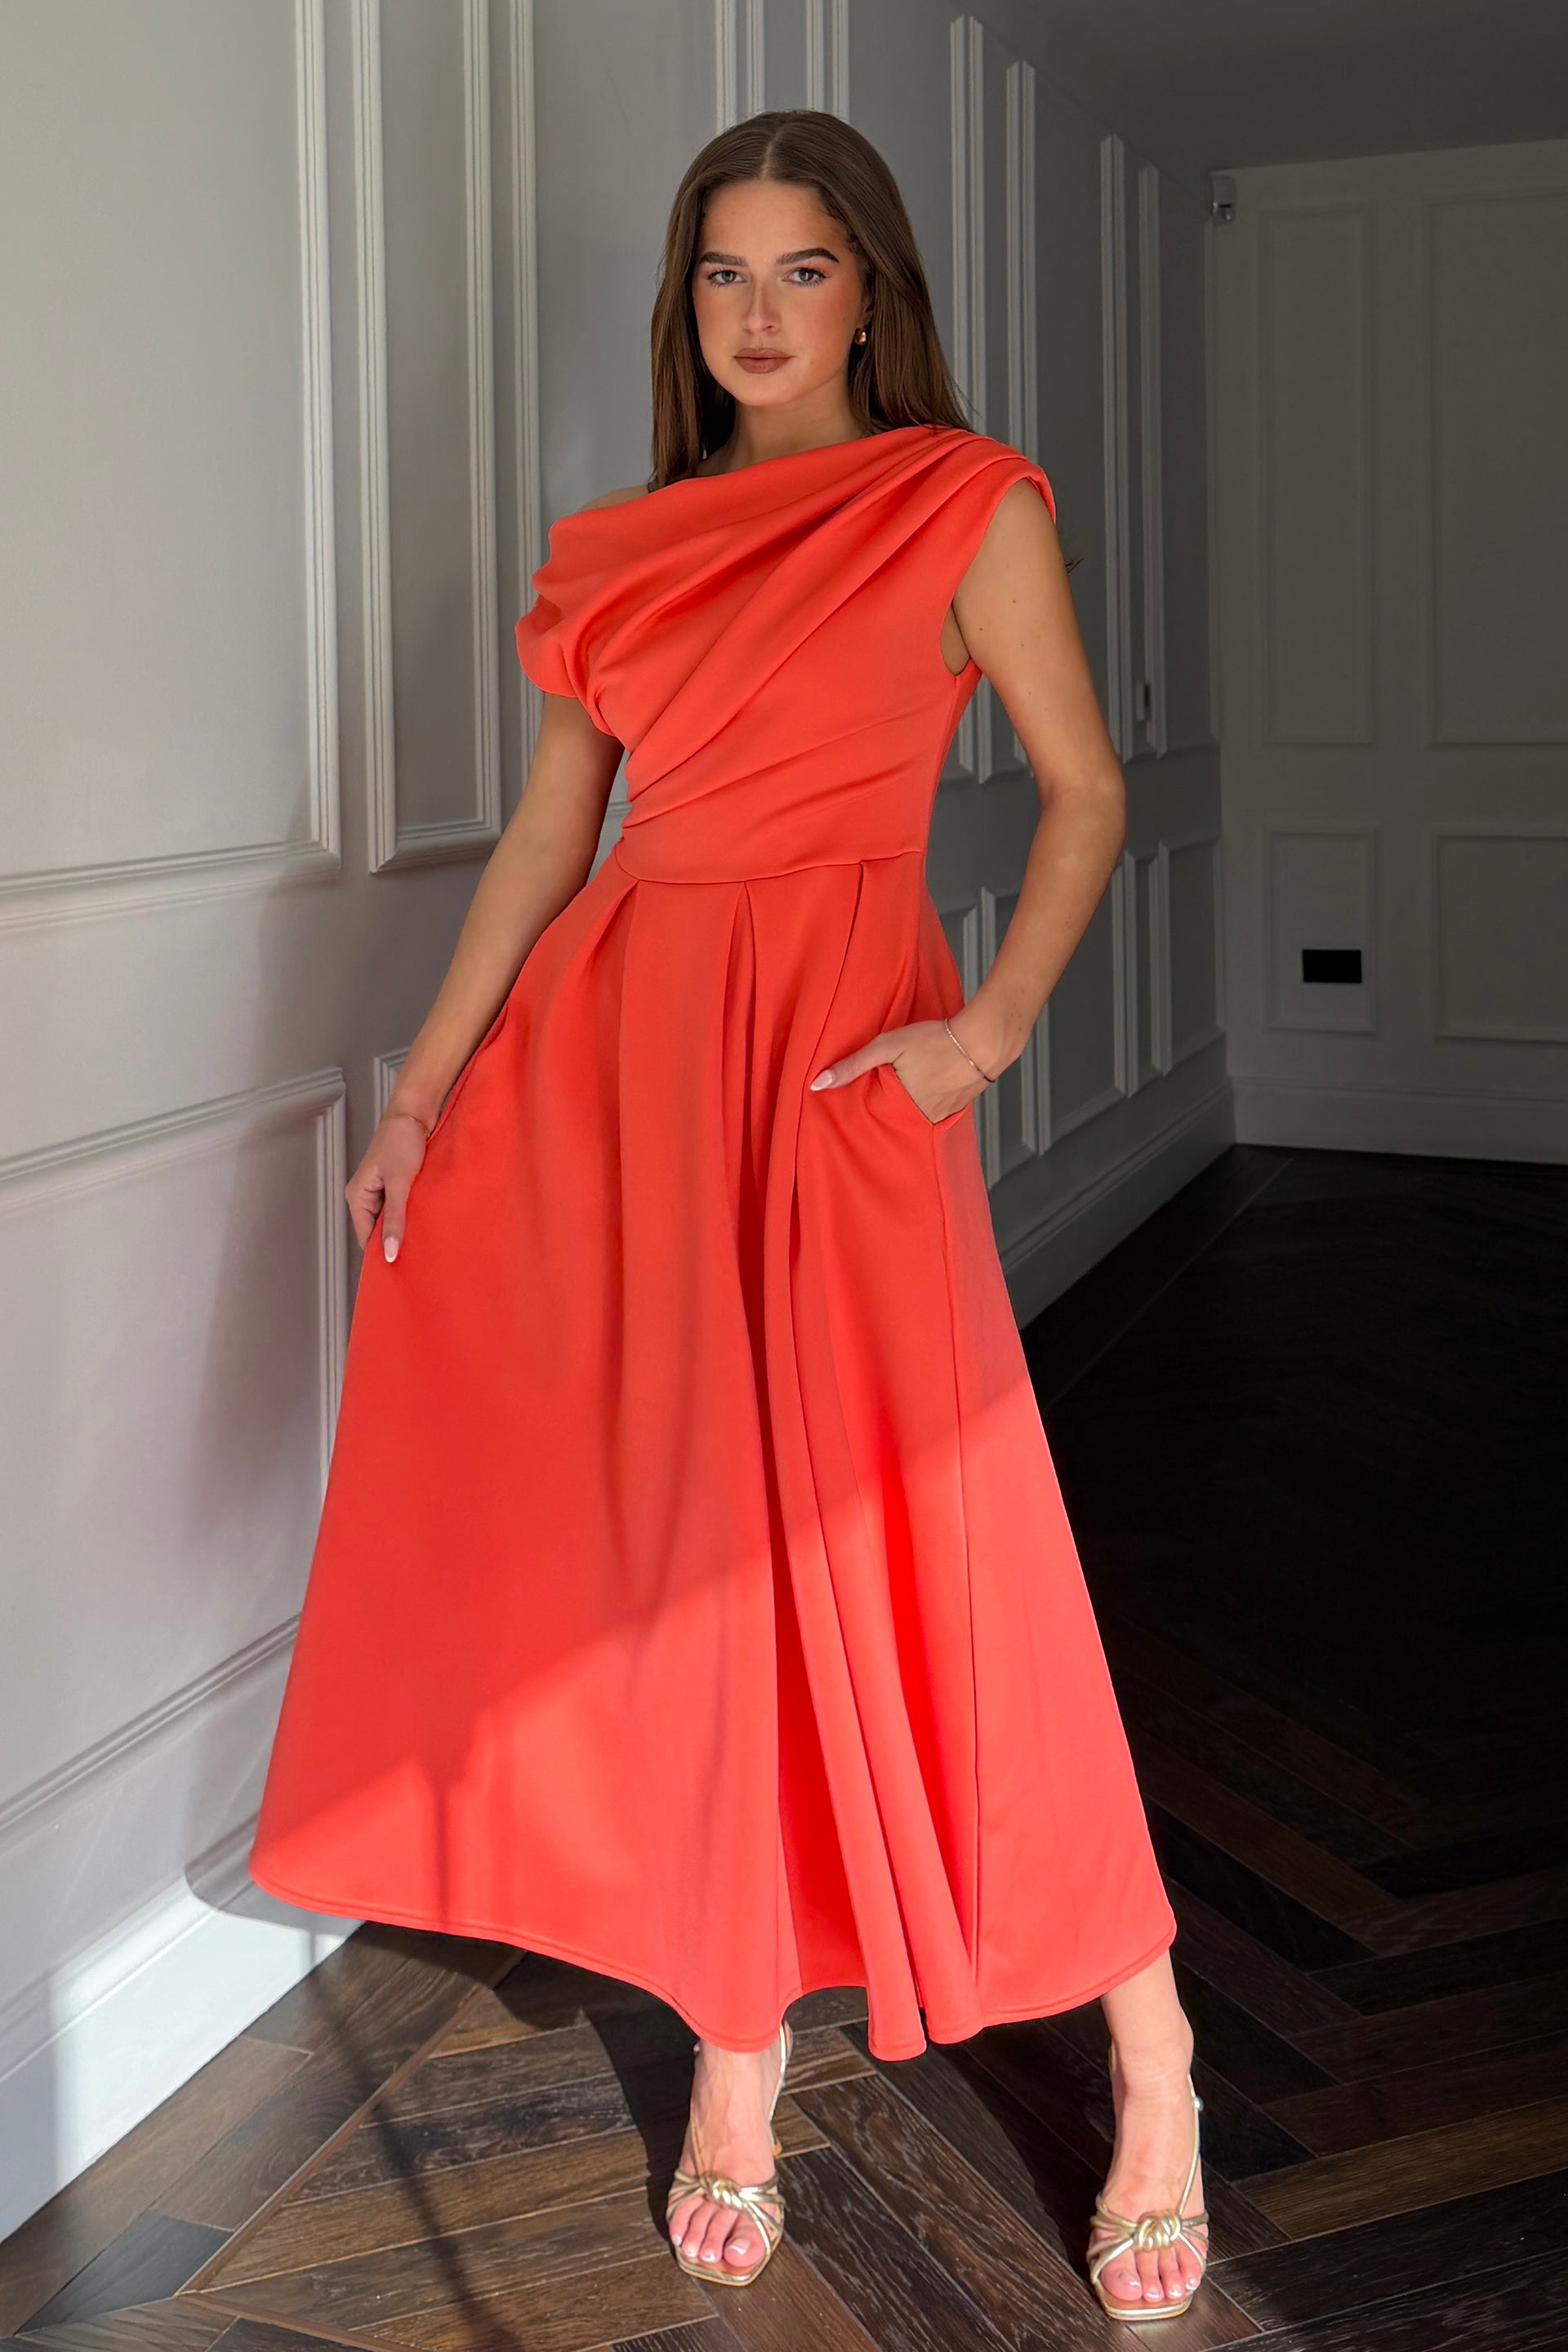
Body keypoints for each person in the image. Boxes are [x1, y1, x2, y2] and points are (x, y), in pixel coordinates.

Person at [247, 109, 1209, 2322]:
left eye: (803, 269)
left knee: (952, 1547)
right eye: (722, 274)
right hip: (624, 1064)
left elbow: (1085, 787)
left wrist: (986, 1038)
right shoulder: (627, 545)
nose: (759, 314)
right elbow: (550, 837)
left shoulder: (961, 502)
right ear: (683, 305)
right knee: (689, 1568)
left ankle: (1151, 2047)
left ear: (873, 293)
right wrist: (427, 1085)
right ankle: (735, 2038)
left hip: (846, 1059)